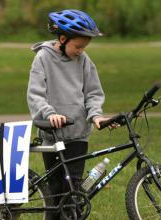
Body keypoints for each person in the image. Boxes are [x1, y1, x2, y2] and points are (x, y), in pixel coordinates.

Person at [27, 9, 109, 219]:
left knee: (72, 189)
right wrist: (49, 114)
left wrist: (96, 115)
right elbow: (36, 94)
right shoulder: (43, 58)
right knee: (56, 192)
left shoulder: (84, 61)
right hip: (52, 135)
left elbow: (92, 93)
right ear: (62, 39)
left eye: (85, 47)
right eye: (78, 46)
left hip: (78, 135)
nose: (81, 51)